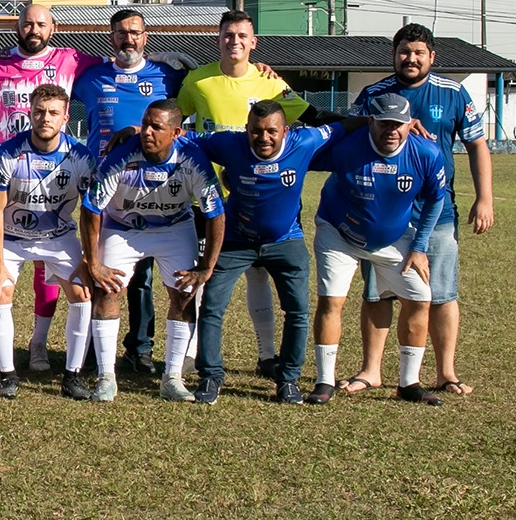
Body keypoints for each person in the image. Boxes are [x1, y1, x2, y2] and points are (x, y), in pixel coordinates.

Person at [346, 23, 492, 398]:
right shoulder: (374, 94)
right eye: (404, 52)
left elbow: (477, 145)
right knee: (377, 294)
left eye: (418, 53)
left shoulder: (453, 92)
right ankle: (371, 370)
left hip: (436, 213)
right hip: (383, 215)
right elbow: (351, 136)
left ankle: (446, 372)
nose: (410, 59)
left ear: (432, 57)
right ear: (394, 55)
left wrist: (484, 197)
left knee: (442, 293)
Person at [177, 8, 312, 381]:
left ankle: (267, 355)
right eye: (228, 35)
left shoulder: (271, 84)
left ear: (254, 42)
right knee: (203, 277)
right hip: (209, 198)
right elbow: (176, 119)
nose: (234, 41)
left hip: (262, 198)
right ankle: (191, 355)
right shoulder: (199, 81)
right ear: (217, 39)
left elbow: (312, 117)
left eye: (242, 36)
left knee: (259, 277)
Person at [183, 102, 349, 404]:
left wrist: (378, 121)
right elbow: (186, 138)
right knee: (211, 307)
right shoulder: (229, 143)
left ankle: (288, 380)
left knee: (297, 311)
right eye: (256, 131)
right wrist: (140, 129)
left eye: (272, 131)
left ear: (285, 131)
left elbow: (344, 127)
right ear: (246, 130)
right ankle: (210, 377)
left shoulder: (305, 141)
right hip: (235, 240)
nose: (264, 138)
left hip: (286, 241)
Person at [0, 4, 108, 375]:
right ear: (17, 27)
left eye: (40, 24)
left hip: (55, 177)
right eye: (26, 24)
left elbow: (121, 62)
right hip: (5, 173)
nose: (33, 29)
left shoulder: (72, 59)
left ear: (53, 28)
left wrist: (164, 58)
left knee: (46, 273)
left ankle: (38, 343)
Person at [306, 93, 449, 406]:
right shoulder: (346, 146)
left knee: (420, 298)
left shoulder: (426, 152)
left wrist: (419, 246)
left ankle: (408, 383)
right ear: (370, 120)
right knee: (332, 300)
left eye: (399, 124)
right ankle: (324, 381)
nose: (392, 130)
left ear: (410, 124)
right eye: (384, 123)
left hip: (394, 238)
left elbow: (436, 198)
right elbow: (300, 158)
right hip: (338, 231)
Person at [79, 101, 225, 403]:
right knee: (108, 290)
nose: (146, 131)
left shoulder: (192, 158)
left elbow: (215, 215)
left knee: (184, 294)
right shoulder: (122, 154)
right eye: (145, 124)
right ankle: (106, 377)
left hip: (174, 228)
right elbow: (91, 209)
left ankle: (172, 378)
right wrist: (93, 262)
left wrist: (206, 267)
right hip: (123, 227)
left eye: (156, 127)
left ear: (175, 133)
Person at [70, 8, 184, 374]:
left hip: (150, 187)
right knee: (96, 269)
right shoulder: (91, 77)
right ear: (111, 37)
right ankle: (88, 348)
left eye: (135, 32)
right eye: (120, 33)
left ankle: (140, 348)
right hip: (101, 187)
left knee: (143, 277)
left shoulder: (167, 76)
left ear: (146, 37)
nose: (128, 39)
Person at [0, 84, 95, 400]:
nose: (45, 118)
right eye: (39, 112)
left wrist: (88, 256)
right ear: (30, 114)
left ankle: (72, 376)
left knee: (82, 293)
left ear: (65, 117)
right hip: (13, 238)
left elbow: (91, 212)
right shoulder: (8, 152)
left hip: (59, 237)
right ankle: (8, 375)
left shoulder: (80, 156)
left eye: (53, 113)